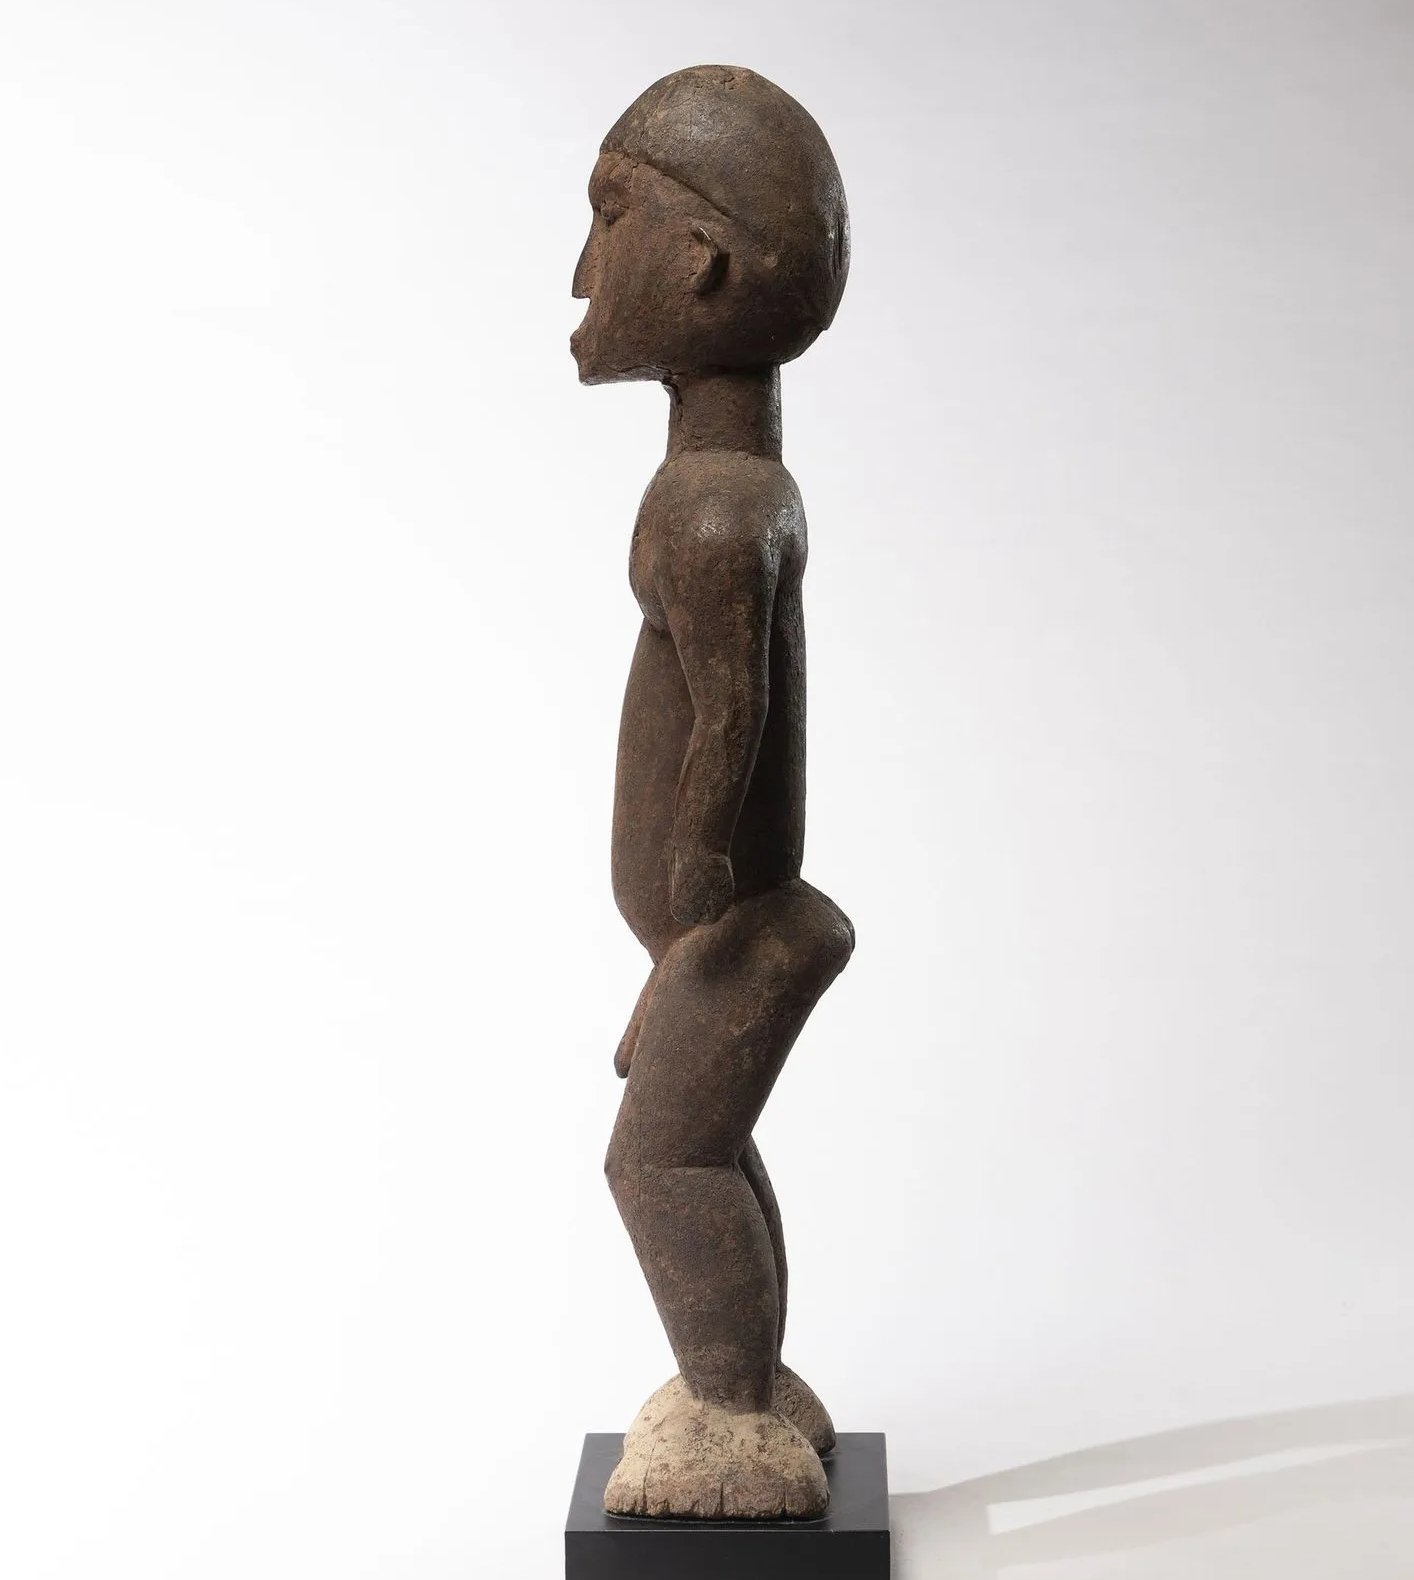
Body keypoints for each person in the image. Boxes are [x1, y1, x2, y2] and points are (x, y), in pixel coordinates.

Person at [571, 64, 854, 1521]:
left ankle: (732, 1410)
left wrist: (693, 890)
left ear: (697, 263)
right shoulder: (738, 485)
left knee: (662, 1160)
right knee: (703, 1142)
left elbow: (733, 705)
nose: (581, 271)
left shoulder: (710, 501)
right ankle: (749, 1384)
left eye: (608, 219)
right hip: (723, 926)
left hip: (730, 918)